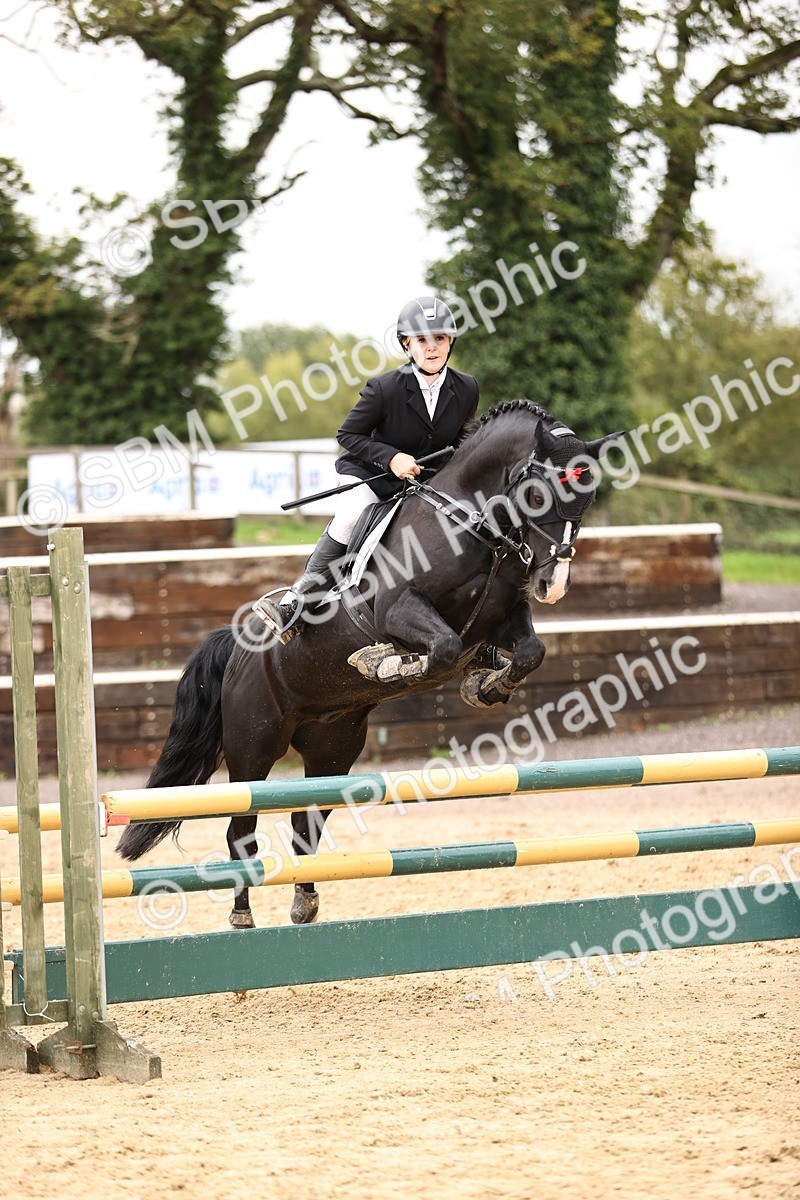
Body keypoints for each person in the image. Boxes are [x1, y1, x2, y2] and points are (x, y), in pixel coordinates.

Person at [256, 295, 480, 644]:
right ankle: (296, 601)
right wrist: (392, 457)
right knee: (349, 518)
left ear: (450, 342)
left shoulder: (466, 387)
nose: (432, 347)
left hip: (425, 481)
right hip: (371, 474)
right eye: (422, 340)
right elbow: (348, 435)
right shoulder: (385, 388)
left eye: (440, 339)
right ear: (407, 344)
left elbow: (464, 436)